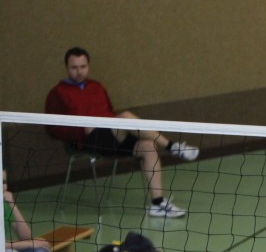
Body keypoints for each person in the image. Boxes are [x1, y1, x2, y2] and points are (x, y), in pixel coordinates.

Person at [44, 46, 199, 218]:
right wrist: (81, 130)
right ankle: (172, 147)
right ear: (67, 68)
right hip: (87, 140)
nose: (79, 71)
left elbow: (109, 111)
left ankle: (158, 204)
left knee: (148, 146)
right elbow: (52, 129)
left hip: (111, 135)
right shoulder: (57, 93)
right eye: (74, 67)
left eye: (83, 67)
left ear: (88, 66)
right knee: (125, 116)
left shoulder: (96, 87)